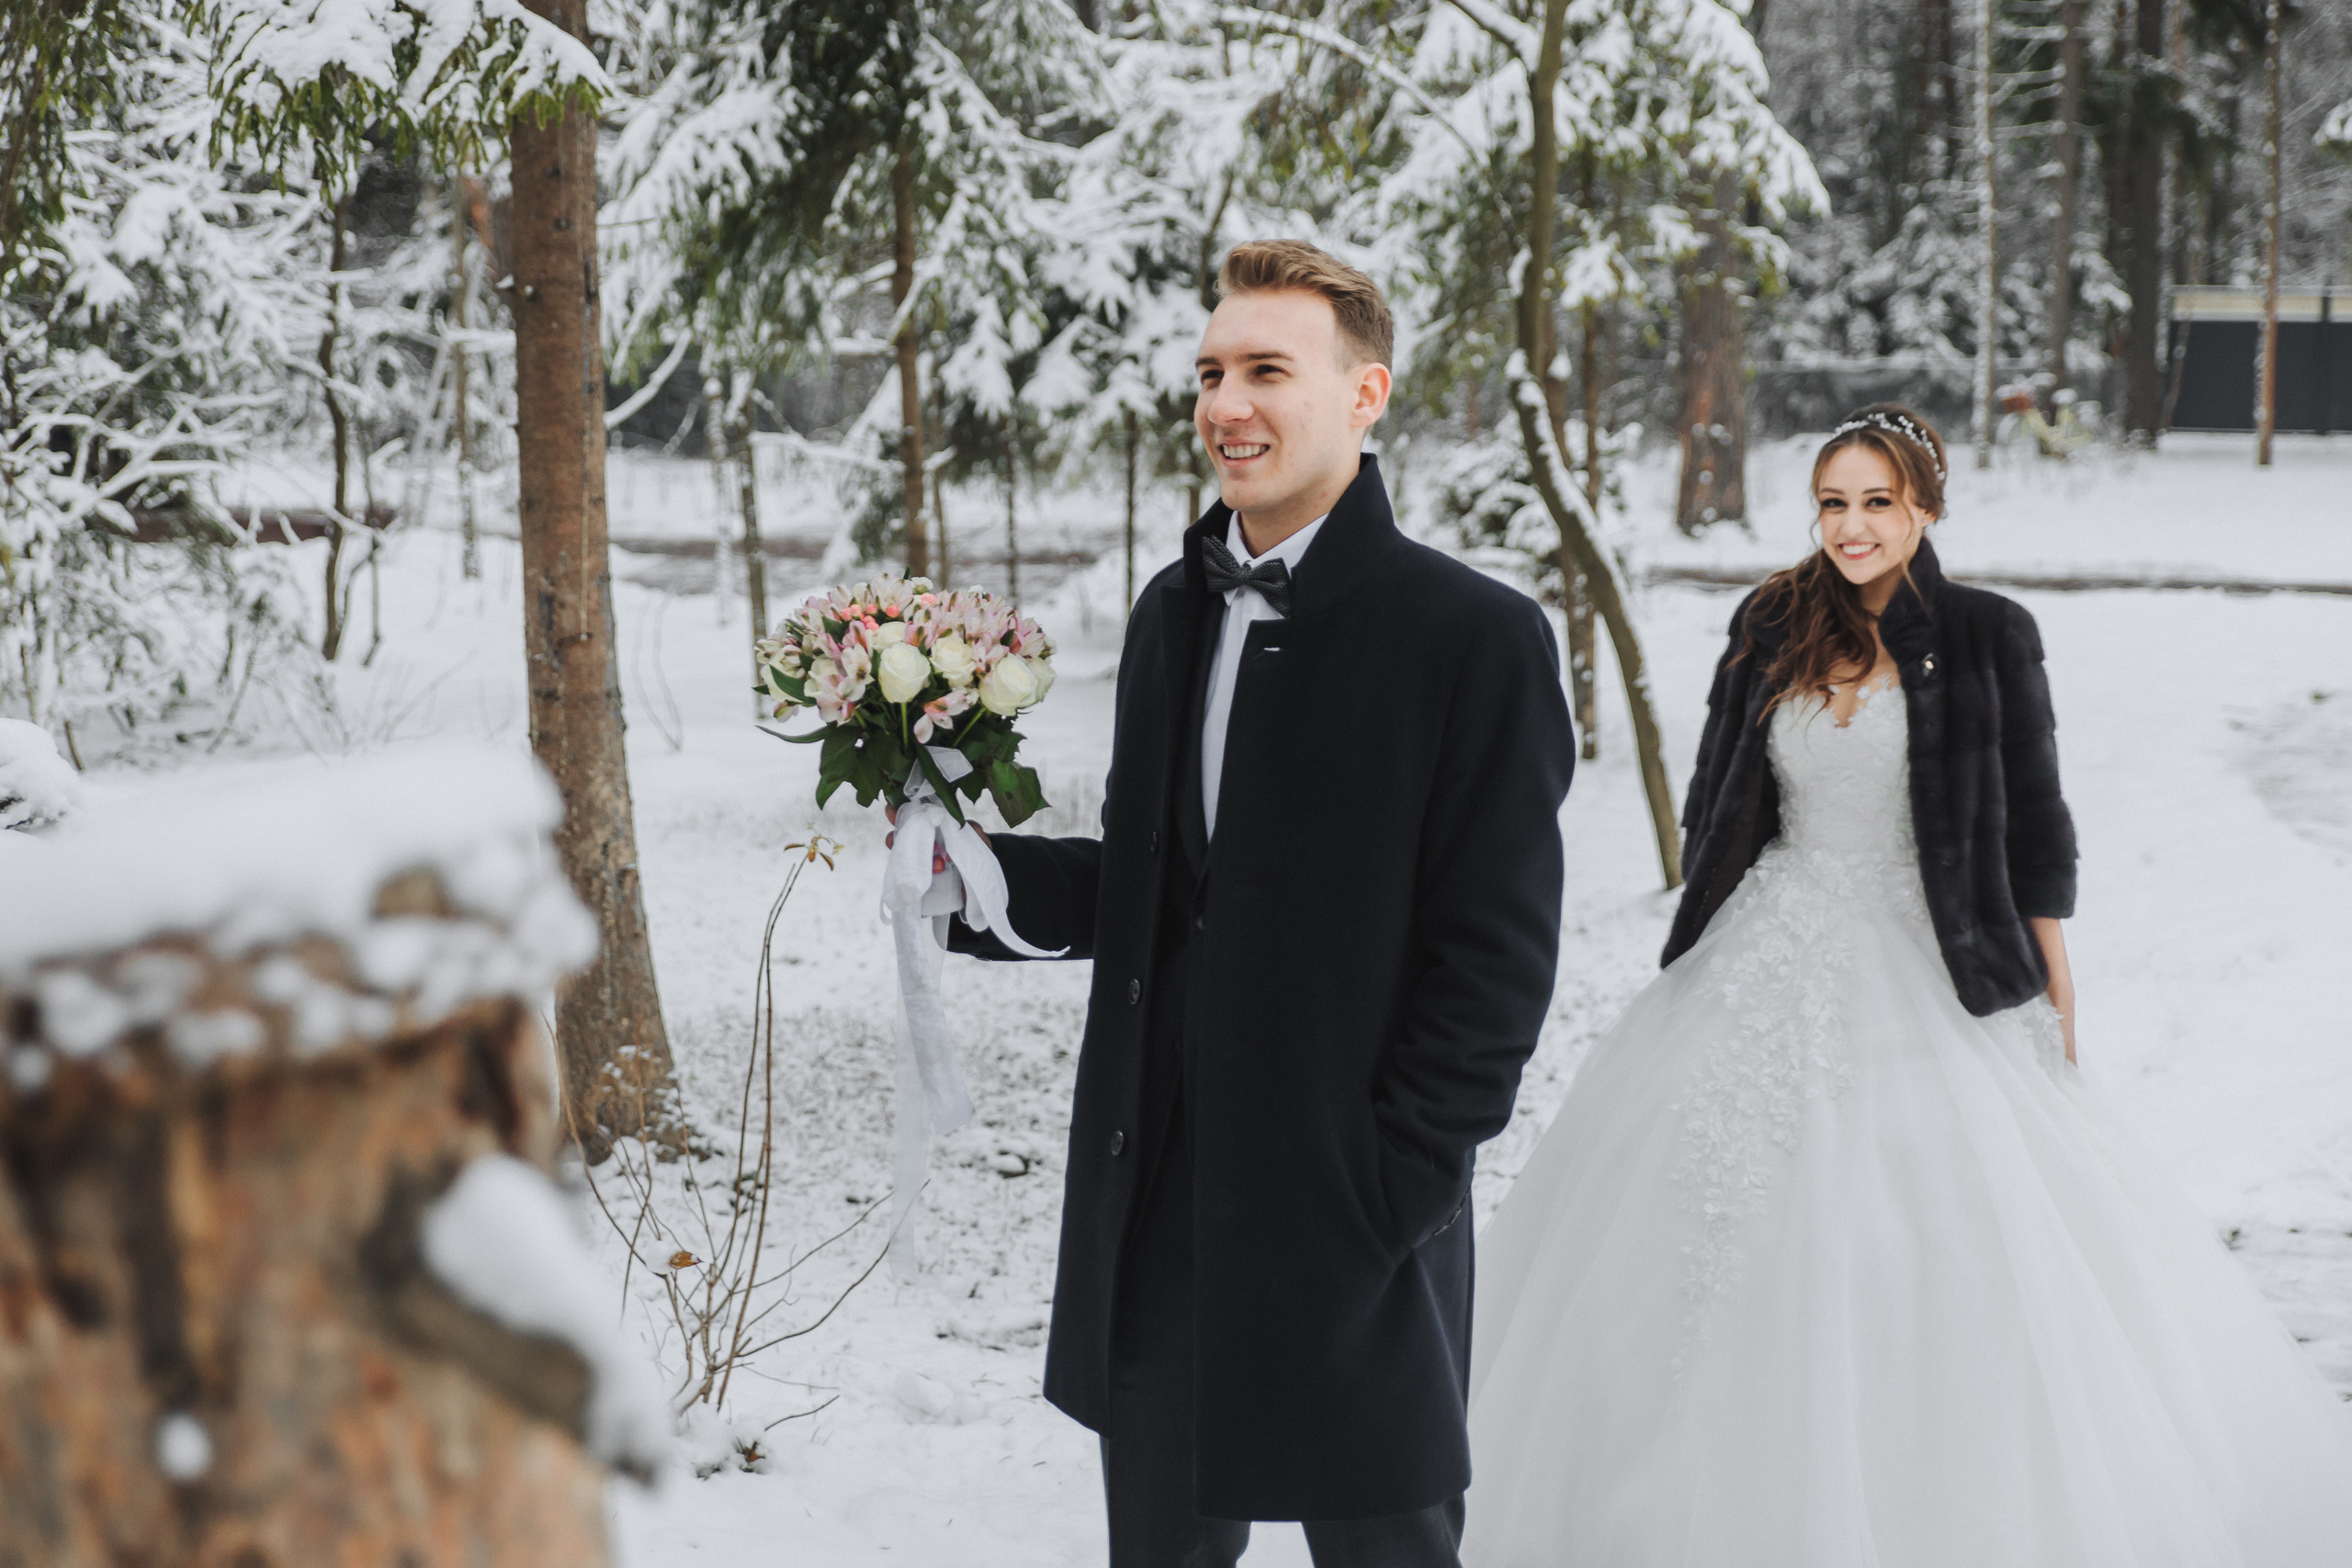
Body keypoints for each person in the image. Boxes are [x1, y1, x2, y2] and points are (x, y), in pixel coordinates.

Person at [1461, 405, 2352, 1565]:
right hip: (1764, 945)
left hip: (1928, 951)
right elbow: (1722, 796)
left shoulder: (1986, 635)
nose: (1851, 525)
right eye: (1832, 501)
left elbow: (2034, 825)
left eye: (1877, 501)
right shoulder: (1770, 622)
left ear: (1924, 508)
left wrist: (2051, 984)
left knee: (1930, 1231)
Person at [942, 240, 1575, 1566]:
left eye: (1268, 370)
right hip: (1158, 1191)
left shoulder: (1476, 637)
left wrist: (1395, 1181)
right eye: (1212, 371)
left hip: (1356, 1209)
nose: (1227, 402)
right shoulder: (1174, 611)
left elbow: (1495, 958)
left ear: (1366, 393)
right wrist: (972, 873)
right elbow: (1155, 881)